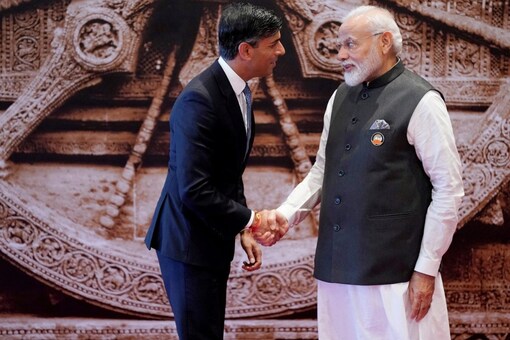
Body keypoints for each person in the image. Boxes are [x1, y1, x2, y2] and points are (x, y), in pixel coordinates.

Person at [254, 5, 464, 340]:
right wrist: (284, 215)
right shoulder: (340, 96)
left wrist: (427, 267)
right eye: (339, 45)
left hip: (397, 277)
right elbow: (322, 170)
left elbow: (448, 190)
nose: (340, 55)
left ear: (384, 42)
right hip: (337, 272)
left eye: (350, 44)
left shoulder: (421, 100)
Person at [144, 3, 285, 339]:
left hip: (210, 238)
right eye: (273, 44)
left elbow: (228, 171)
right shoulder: (200, 100)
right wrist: (250, 218)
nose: (281, 50)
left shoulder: (238, 90)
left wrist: (242, 229)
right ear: (245, 50)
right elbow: (194, 189)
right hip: (188, 243)